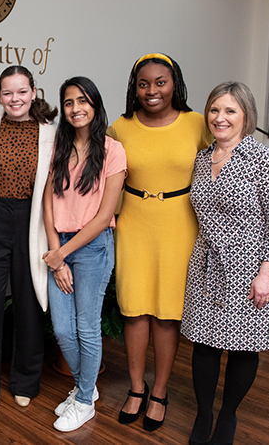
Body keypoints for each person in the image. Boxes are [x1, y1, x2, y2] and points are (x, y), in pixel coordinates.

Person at [108, 52, 211, 431]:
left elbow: (227, 159)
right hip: (133, 222)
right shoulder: (121, 127)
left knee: (167, 314)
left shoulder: (198, 124)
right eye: (144, 83)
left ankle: (161, 391)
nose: (152, 90)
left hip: (180, 225)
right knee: (134, 310)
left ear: (175, 84)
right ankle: (136, 388)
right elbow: (104, 174)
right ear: (134, 88)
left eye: (161, 82)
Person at [182, 82, 269, 445]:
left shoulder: (263, 159)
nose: (220, 117)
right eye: (214, 109)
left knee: (244, 346)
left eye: (230, 111)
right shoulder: (201, 158)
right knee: (204, 344)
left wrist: (267, 274)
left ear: (246, 115)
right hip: (206, 263)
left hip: (251, 267)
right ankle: (203, 414)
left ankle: (228, 416)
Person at [0, 65, 57, 414]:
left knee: (29, 305)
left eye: (21, 91)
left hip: (30, 222)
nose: (15, 99)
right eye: (7, 92)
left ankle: (25, 382)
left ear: (34, 92)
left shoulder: (50, 132)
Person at [44, 77, 126, 432]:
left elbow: (105, 215)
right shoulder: (58, 146)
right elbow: (47, 202)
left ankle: (82, 401)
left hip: (92, 248)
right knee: (63, 330)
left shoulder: (113, 150)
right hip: (59, 245)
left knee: (87, 329)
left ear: (95, 105)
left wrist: (62, 253)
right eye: (69, 103)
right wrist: (55, 252)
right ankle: (85, 389)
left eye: (83, 101)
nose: (76, 108)